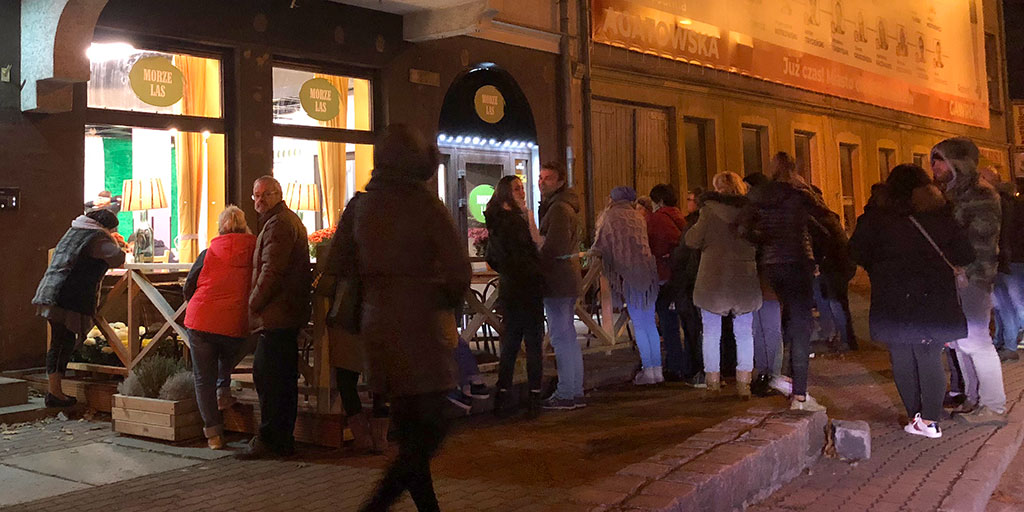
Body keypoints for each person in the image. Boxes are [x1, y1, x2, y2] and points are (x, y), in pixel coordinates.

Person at [354, 125, 471, 512]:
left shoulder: (363, 205)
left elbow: (341, 264)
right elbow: (458, 271)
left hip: (377, 326)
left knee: (411, 436)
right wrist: (440, 298)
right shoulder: (424, 205)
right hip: (418, 329)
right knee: (431, 429)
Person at [850, 165, 974, 438]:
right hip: (935, 296)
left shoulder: (877, 216)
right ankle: (930, 420)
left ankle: (914, 415)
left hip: (893, 297)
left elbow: (856, 251)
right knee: (929, 355)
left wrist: (878, 266)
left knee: (901, 356)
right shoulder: (940, 214)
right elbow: (965, 254)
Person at [744, 152, 840, 412]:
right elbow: (827, 221)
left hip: (771, 265)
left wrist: (765, 242)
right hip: (798, 262)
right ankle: (799, 394)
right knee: (801, 325)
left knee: (785, 318)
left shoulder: (758, 196)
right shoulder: (800, 195)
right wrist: (820, 256)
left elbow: (743, 229)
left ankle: (785, 376)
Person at [930, 138, 1007, 425]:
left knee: (976, 340)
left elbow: (979, 238)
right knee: (960, 342)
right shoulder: (948, 193)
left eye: (940, 159)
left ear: (957, 163)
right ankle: (974, 398)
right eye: (933, 160)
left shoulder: (980, 194)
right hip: (953, 276)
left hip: (974, 276)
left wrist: (959, 262)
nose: (934, 166)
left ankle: (994, 405)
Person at [238, 175, 312, 459]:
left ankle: (272, 440)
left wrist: (254, 302)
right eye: (255, 195)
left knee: (269, 378)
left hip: (277, 315)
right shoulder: (282, 221)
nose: (259, 200)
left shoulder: (279, 224)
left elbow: (272, 269)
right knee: (280, 379)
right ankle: (281, 440)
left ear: (278, 195)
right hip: (285, 313)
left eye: (265, 195)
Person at [33, 209, 126, 407]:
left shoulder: (75, 230)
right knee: (61, 343)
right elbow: (118, 258)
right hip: (66, 296)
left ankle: (55, 391)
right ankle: (55, 393)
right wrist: (115, 241)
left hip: (53, 291)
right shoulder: (95, 237)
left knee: (60, 342)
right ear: (107, 227)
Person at [317, 196, 388, 455]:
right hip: (379, 316)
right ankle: (380, 437)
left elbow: (327, 281)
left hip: (347, 317)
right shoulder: (384, 242)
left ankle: (362, 436)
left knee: (346, 378)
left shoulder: (343, 247)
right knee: (381, 378)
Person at [182, 206, 256, 450]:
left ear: (219, 228)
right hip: (239, 322)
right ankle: (223, 389)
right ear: (245, 226)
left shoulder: (209, 252)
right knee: (232, 350)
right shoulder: (256, 252)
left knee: (203, 379)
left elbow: (189, 285)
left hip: (201, 320)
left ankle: (213, 435)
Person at [685, 173, 762, 397]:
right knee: (744, 333)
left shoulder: (709, 211)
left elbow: (692, 240)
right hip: (744, 277)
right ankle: (744, 383)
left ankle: (713, 382)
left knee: (711, 332)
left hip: (714, 278)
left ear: (718, 188)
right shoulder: (751, 212)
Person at [485, 175, 546, 417]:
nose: (522, 192)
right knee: (533, 343)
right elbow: (532, 250)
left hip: (510, 288)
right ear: (506, 194)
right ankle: (534, 396)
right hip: (527, 287)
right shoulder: (515, 222)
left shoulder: (495, 222)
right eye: (517, 189)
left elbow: (492, 257)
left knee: (510, 343)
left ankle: (503, 393)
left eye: (522, 188)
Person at [593, 187, 662, 385]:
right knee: (649, 324)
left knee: (639, 325)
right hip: (648, 272)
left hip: (630, 276)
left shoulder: (611, 217)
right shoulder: (637, 216)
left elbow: (601, 245)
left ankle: (648, 370)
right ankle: (657, 370)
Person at [537, 161, 585, 410]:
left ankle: (567, 392)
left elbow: (553, 248)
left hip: (557, 279)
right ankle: (574, 390)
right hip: (567, 278)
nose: (542, 182)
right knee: (568, 336)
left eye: (548, 178)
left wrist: (537, 255)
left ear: (560, 182)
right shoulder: (564, 206)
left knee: (561, 337)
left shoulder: (557, 209)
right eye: (540, 177)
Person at [743, 173, 783, 396]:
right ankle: (765, 373)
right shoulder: (766, 214)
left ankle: (771, 374)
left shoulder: (763, 216)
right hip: (761, 280)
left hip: (766, 280)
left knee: (768, 328)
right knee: (761, 329)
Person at [647, 184, 689, 382]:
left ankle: (674, 364)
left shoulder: (658, 219)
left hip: (664, 274)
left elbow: (653, 245)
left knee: (667, 322)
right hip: (681, 274)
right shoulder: (680, 217)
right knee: (682, 321)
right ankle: (686, 362)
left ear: (659, 201)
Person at [980, 167, 1021, 361]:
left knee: (1007, 304)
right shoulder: (1001, 201)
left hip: (1005, 259)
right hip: (1003, 258)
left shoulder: (1001, 203)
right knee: (1000, 304)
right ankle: (1003, 341)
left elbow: (1003, 233)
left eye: (982, 177)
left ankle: (1009, 344)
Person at [669, 188, 707, 387]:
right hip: (700, 280)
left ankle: (697, 369)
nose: (687, 202)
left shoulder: (694, 224)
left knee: (694, 328)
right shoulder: (695, 222)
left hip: (691, 280)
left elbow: (684, 253)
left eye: (690, 199)